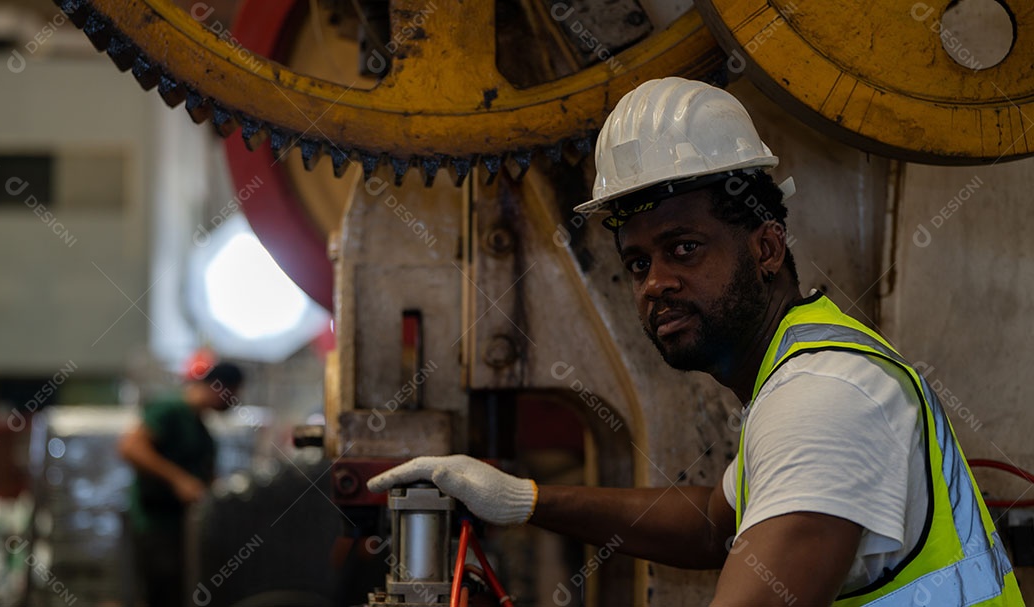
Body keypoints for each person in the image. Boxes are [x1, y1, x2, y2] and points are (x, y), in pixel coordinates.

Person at [368, 78, 1024, 605]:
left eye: (684, 248)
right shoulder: (803, 366)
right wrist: (524, 499)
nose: (656, 283)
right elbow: (716, 519)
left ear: (766, 246)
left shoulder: (824, 400)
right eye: (638, 263)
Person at [118, 361, 244, 607]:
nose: (236, 400)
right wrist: (178, 480)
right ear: (220, 387)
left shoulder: (201, 428)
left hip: (181, 528)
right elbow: (130, 447)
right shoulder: (171, 410)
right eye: (234, 392)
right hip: (156, 524)